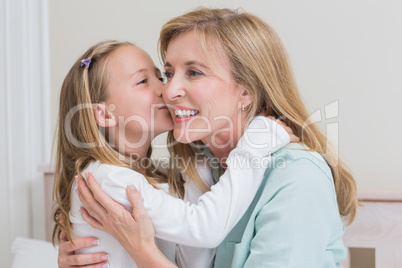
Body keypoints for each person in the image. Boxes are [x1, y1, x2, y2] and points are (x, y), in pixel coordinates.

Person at [69, 7, 358, 267]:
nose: (168, 91)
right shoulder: (197, 170)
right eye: (169, 73)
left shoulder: (297, 178)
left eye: (193, 72)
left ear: (245, 91)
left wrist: (142, 251)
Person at [53, 40, 296, 267]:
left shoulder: (152, 179)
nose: (166, 89)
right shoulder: (107, 180)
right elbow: (205, 229)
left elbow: (193, 260)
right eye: (143, 81)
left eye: (160, 76)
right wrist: (255, 145)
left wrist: (197, 159)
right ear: (104, 114)